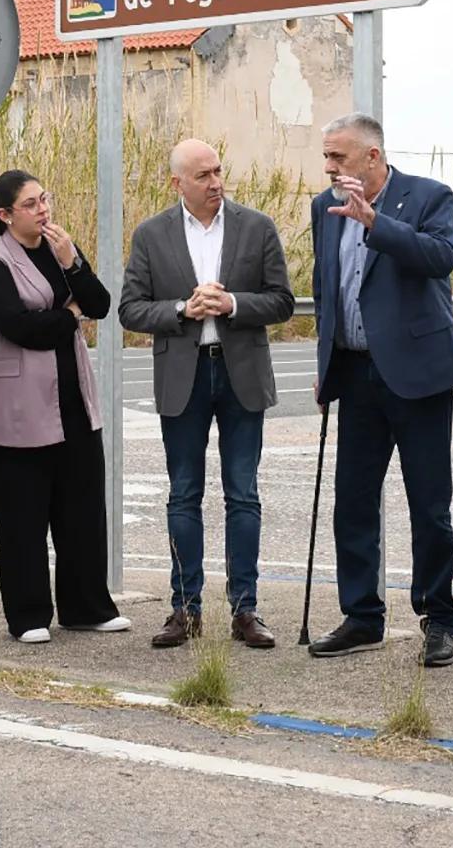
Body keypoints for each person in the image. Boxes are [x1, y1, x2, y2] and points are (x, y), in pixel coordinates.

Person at [306, 113, 453, 667]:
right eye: (327, 157)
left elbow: (440, 258)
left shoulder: (428, 196)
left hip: (417, 374)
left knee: (429, 505)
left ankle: (439, 617)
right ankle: (361, 616)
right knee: (351, 501)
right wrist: (323, 361)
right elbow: (324, 288)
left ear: (373, 158)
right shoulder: (321, 208)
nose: (330, 167)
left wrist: (375, 222)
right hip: (353, 374)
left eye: (340, 158)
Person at [121, 140, 296, 649]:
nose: (216, 182)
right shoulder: (152, 234)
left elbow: (283, 301)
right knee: (183, 494)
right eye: (203, 175)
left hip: (240, 373)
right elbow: (131, 309)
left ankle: (246, 610)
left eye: (219, 169)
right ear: (178, 183)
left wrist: (233, 303)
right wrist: (182, 310)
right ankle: (185, 609)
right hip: (184, 374)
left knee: (243, 494)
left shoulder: (256, 226)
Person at [0, 169, 130, 644]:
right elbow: (23, 328)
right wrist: (68, 314)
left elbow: (98, 304)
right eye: (31, 203)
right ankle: (28, 615)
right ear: (4, 215)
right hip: (13, 406)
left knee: (81, 508)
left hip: (71, 398)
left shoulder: (59, 252)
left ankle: (87, 607)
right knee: (21, 513)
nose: (44, 209)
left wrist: (73, 263)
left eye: (45, 198)